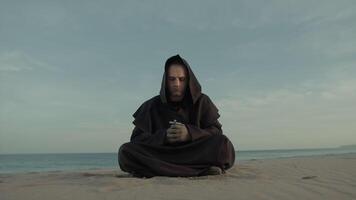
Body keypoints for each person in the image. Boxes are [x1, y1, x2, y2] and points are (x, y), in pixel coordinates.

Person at [118, 54, 235, 178]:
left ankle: (157, 171)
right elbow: (137, 139)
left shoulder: (202, 101)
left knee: (224, 144)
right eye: (172, 79)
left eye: (182, 79)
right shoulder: (151, 105)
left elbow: (216, 132)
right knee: (125, 151)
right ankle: (201, 170)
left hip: (194, 153)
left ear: (189, 80)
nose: (177, 84)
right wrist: (164, 136)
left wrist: (190, 134)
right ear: (165, 81)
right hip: (162, 154)